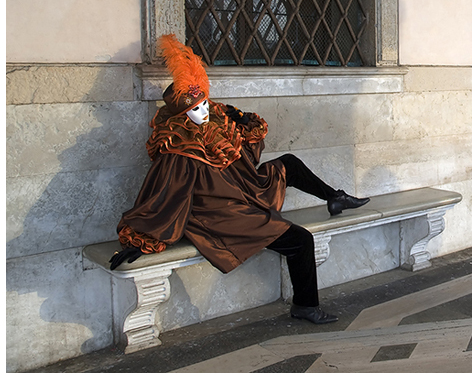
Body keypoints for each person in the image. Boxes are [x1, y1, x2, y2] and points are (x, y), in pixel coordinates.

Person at [110, 34, 369, 324]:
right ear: (182, 115)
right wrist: (141, 239)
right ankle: (305, 306)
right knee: (301, 240)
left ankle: (334, 197)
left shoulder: (215, 124)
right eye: (195, 109)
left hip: (244, 189)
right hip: (222, 213)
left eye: (205, 104)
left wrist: (243, 120)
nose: (204, 112)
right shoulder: (180, 149)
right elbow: (166, 196)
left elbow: (248, 155)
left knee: (289, 165)